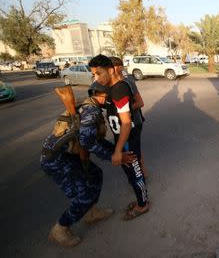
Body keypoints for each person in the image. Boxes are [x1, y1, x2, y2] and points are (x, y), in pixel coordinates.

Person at [41, 82, 136, 247]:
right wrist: (114, 156)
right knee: (83, 196)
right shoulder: (91, 112)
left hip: (69, 156)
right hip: (56, 160)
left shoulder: (89, 106)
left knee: (95, 174)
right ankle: (61, 229)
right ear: (102, 96)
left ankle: (90, 212)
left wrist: (116, 151)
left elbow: (94, 139)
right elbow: (87, 141)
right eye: (110, 97)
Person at [88, 55, 149, 221]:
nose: (96, 78)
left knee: (135, 171)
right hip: (122, 138)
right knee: (130, 171)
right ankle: (140, 199)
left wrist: (117, 151)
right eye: (94, 75)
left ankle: (143, 205)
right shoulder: (110, 89)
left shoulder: (120, 89)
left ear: (110, 70)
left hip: (128, 138)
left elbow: (127, 123)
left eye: (99, 73)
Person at [109, 56, 148, 179]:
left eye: (110, 67)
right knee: (133, 151)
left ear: (118, 68)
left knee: (133, 153)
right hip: (123, 125)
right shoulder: (111, 85)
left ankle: (140, 177)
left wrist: (123, 109)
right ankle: (140, 175)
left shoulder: (128, 82)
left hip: (134, 123)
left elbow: (140, 103)